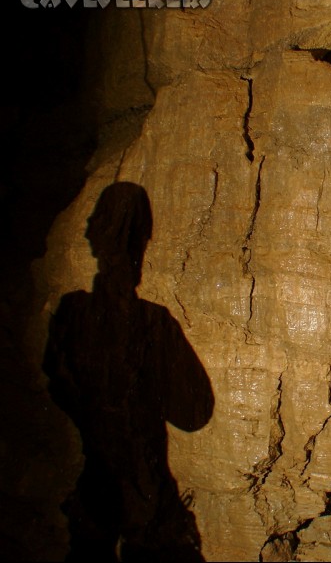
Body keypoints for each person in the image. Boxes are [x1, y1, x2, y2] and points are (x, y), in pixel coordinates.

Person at [43, 182, 214, 561]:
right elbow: (192, 413)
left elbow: (56, 387)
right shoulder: (152, 323)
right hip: (142, 492)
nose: (87, 229)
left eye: (97, 221)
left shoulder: (74, 313)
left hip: (98, 492)